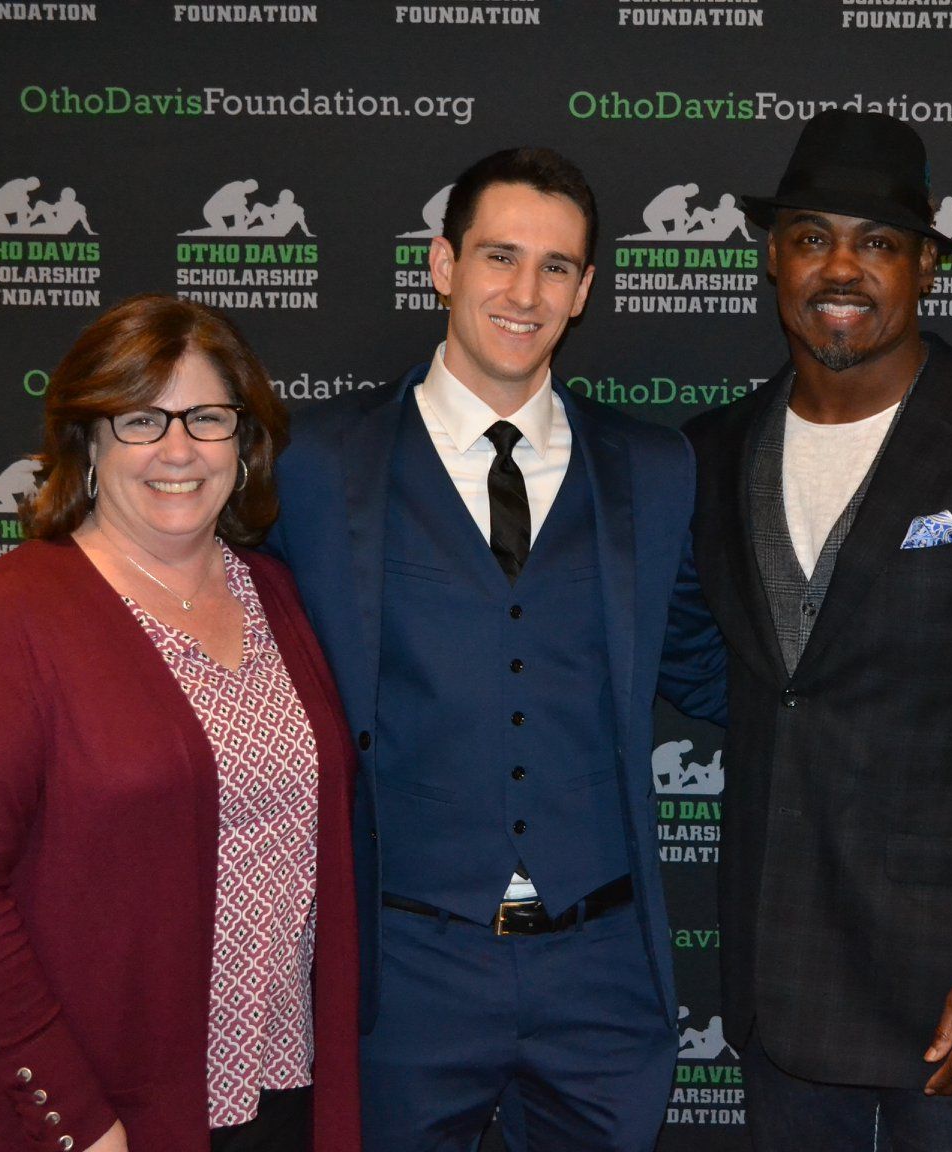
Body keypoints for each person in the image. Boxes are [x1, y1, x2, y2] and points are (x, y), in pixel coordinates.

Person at [683, 109, 952, 1150]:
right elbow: (754, 679)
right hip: (777, 988)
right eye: (811, 237)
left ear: (926, 265)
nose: (841, 267)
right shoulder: (713, 452)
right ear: (772, 257)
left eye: (877, 242)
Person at [265, 147, 725, 1152]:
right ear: (442, 265)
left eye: (556, 268)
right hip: (403, 975)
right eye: (499, 258)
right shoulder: (315, 462)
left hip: (601, 974)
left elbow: (712, 666)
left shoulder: (653, 470)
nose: (525, 293)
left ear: (587, 289)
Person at [0, 295, 360, 1152]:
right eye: (142, 418)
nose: (177, 449)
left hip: (283, 1093)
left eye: (208, 418)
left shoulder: (278, 598)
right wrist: (80, 1120)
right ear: (90, 440)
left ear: (244, 442)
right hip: (102, 1117)